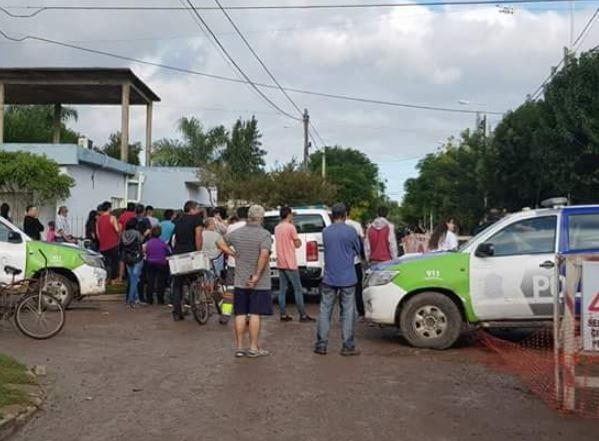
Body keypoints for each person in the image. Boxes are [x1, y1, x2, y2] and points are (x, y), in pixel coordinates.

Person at [218, 205, 272, 359]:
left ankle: (240, 347)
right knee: (255, 313)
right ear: (261, 218)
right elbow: (264, 254)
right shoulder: (264, 234)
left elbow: (219, 241)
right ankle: (254, 347)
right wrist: (256, 275)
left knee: (240, 313)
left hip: (240, 279)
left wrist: (232, 253)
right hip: (259, 282)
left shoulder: (237, 233)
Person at [315, 203, 362, 356]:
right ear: (345, 214)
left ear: (332, 215)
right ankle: (347, 345)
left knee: (325, 311)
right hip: (348, 277)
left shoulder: (325, 232)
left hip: (329, 277)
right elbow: (358, 249)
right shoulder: (351, 231)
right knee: (348, 311)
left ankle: (321, 344)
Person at [275, 206, 314, 322]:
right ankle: (302, 314)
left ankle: (282, 313)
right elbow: (297, 244)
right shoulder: (291, 227)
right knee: (298, 289)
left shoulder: (277, 228)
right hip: (290, 262)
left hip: (280, 261)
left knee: (282, 289)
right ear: (289, 215)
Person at [171, 201, 204, 321]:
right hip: (191, 253)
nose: (199, 210)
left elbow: (174, 238)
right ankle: (196, 303)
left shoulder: (177, 220)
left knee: (177, 284)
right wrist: (199, 251)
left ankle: (176, 311)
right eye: (198, 208)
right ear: (192, 209)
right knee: (195, 278)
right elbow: (198, 236)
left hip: (178, 253)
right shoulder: (196, 220)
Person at [345, 204, 366, 320]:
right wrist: (363, 257)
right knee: (358, 288)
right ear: (349, 212)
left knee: (344, 289)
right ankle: (361, 313)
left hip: (342, 263)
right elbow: (361, 243)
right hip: (355, 261)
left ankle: (345, 313)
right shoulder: (356, 225)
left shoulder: (334, 226)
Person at [144, 226, 171, 305]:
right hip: (161, 263)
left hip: (150, 262)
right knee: (161, 281)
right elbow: (168, 252)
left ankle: (149, 299)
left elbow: (145, 251)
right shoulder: (162, 243)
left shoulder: (148, 243)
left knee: (150, 281)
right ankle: (160, 299)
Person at [121, 218, 144, 307]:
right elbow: (141, 240)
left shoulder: (124, 234)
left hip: (127, 257)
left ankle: (136, 299)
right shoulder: (137, 233)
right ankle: (131, 300)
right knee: (135, 279)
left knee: (132, 278)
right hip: (137, 257)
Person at [96, 201, 121, 284]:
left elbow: (98, 234)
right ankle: (114, 279)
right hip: (113, 243)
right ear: (109, 208)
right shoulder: (112, 218)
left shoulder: (98, 219)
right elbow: (117, 229)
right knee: (114, 262)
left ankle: (106, 279)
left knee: (106, 263)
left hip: (103, 245)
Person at [202, 217, 224, 294]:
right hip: (214, 258)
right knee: (213, 276)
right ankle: (211, 292)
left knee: (204, 276)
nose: (215, 226)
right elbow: (222, 247)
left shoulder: (201, 234)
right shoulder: (216, 235)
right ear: (210, 225)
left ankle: (204, 293)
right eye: (214, 224)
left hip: (203, 258)